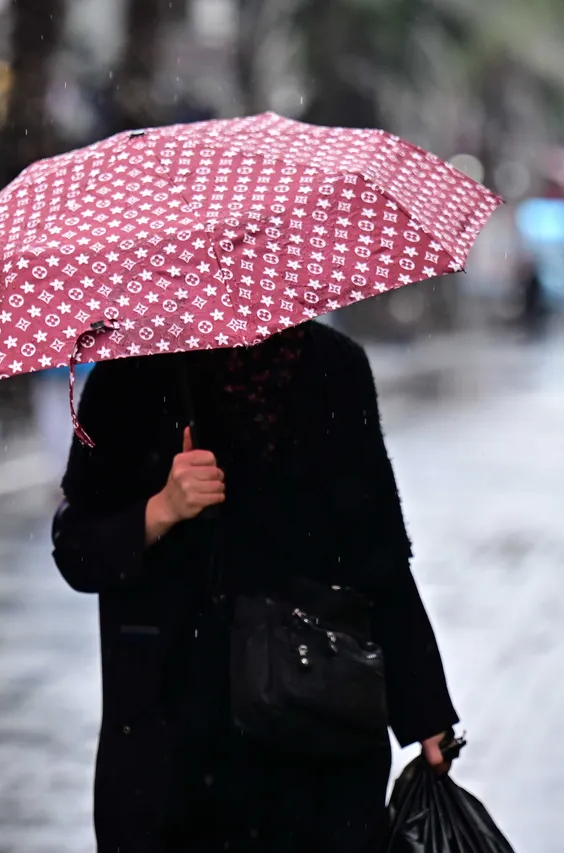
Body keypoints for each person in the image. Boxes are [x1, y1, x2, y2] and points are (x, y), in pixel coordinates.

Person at [52, 322, 458, 853]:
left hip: (317, 727)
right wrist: (161, 510)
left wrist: (425, 710)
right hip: (177, 744)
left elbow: (377, 554)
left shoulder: (334, 367)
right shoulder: (132, 375)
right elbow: (78, 550)